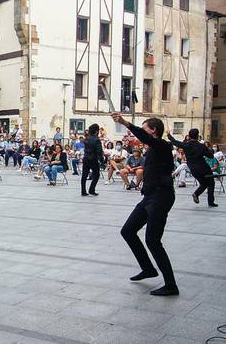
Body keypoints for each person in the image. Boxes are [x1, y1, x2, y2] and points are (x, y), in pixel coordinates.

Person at [112, 112, 179, 296]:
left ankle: (171, 285)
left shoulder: (163, 146)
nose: (141, 133)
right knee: (127, 231)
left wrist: (125, 122)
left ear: (154, 131)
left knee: (153, 241)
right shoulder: (152, 149)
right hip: (149, 197)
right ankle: (148, 269)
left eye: (145, 129)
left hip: (161, 197)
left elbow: (143, 137)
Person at [168, 129, 217, 207]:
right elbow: (210, 156)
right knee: (211, 183)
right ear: (197, 136)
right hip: (203, 168)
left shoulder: (186, 145)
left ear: (189, 136)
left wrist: (169, 135)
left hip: (193, 169)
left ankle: (196, 194)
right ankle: (210, 202)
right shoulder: (201, 146)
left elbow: (175, 142)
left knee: (204, 183)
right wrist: (210, 150)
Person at [81, 123, 104, 196]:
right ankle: (91, 189)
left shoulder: (86, 139)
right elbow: (99, 151)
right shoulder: (97, 140)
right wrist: (102, 161)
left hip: (86, 158)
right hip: (93, 159)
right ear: (97, 131)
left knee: (84, 175)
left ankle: (83, 191)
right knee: (96, 175)